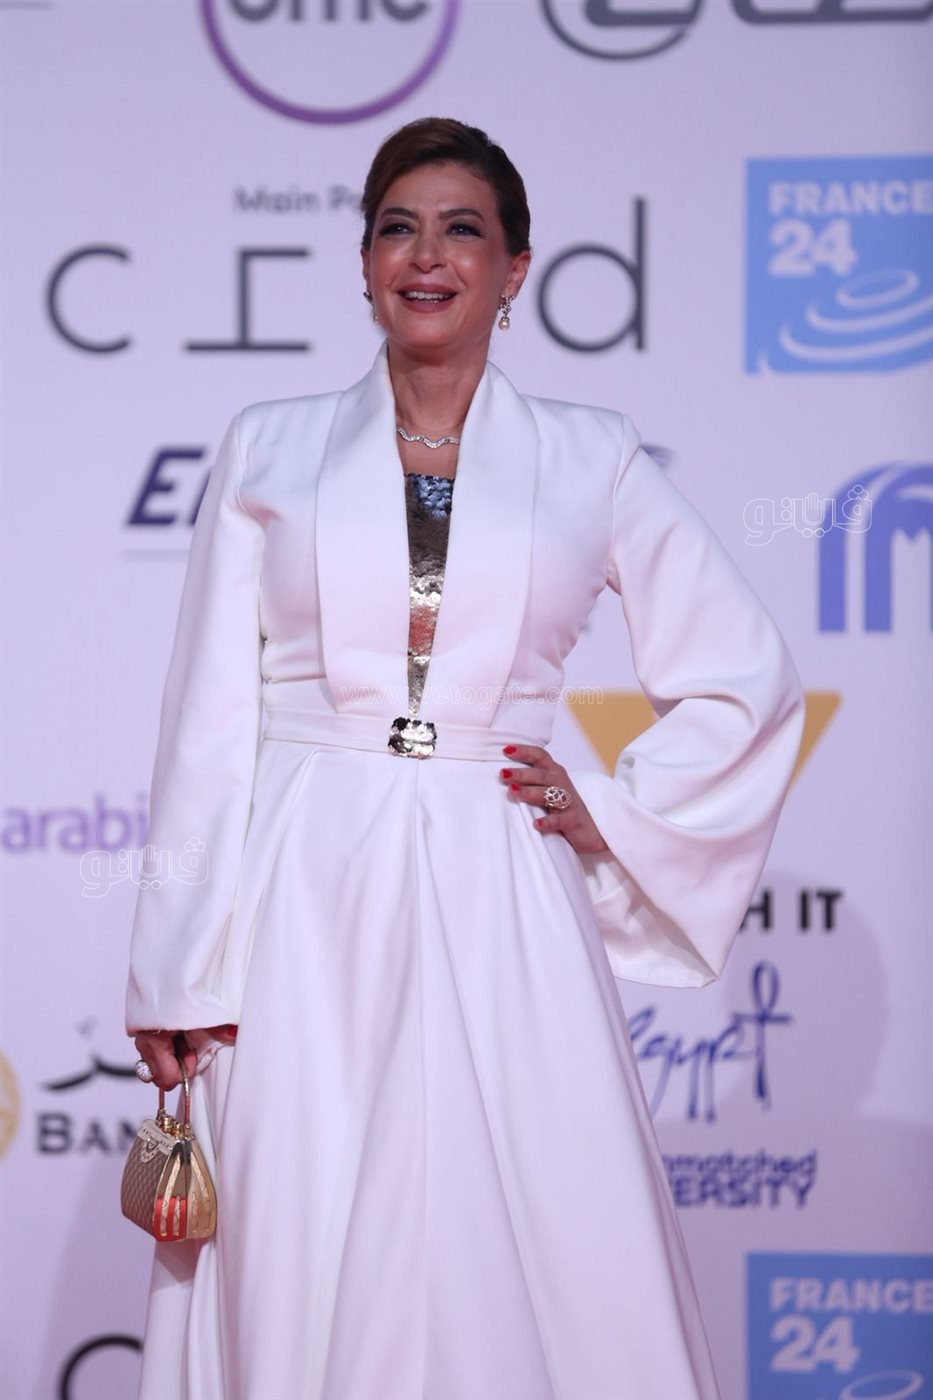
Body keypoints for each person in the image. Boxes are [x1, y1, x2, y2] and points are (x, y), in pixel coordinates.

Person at [126, 116, 805, 1400]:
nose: (426, 255)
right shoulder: (269, 444)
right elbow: (206, 728)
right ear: (363, 263)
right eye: (398, 227)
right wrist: (174, 969)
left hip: (500, 880)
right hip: (300, 888)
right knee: (299, 1221)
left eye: (462, 230)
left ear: (514, 269)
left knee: (530, 1222)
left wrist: (614, 813)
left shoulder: (592, 455)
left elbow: (745, 679)